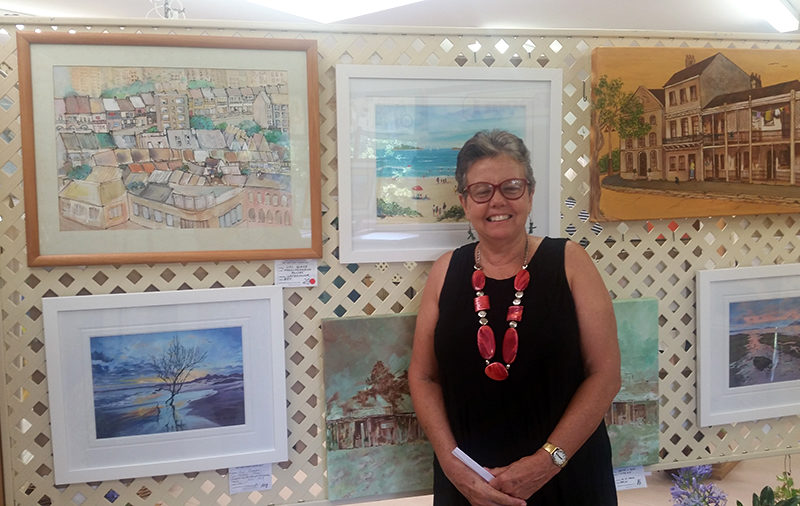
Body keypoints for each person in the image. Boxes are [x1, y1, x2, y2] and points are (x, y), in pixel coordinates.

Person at [409, 130, 621, 505]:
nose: (497, 201)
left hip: (567, 476)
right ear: (464, 201)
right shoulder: (445, 271)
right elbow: (423, 376)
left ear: (530, 193)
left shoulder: (570, 262)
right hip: (469, 484)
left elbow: (605, 375)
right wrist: (450, 463)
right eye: (481, 191)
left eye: (511, 187)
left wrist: (547, 461)